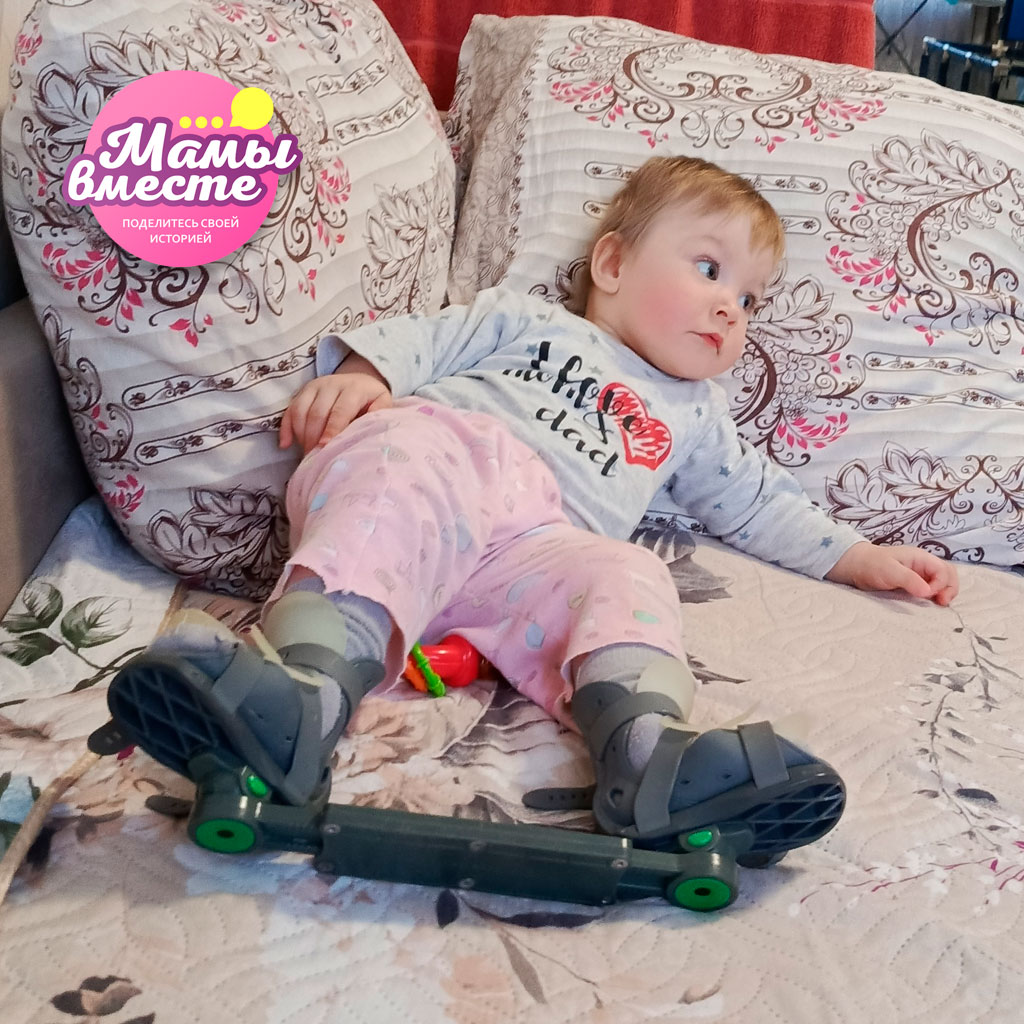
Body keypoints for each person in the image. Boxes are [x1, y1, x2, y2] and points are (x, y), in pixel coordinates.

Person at [106, 156, 959, 858]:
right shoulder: (526, 322)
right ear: (614, 265)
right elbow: (426, 340)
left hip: (532, 559)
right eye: (709, 269)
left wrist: (858, 557)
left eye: (749, 299)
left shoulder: (696, 416)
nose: (729, 308)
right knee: (402, 458)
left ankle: (648, 752)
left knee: (629, 570)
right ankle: (306, 693)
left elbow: (758, 501)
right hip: (440, 481)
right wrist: (366, 377)